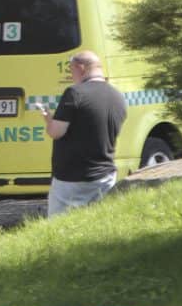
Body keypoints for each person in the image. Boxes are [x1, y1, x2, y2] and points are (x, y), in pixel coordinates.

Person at [36, 50, 127, 216]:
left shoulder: (75, 93)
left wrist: (48, 119)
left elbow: (56, 132)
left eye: (71, 70)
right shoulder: (118, 96)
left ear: (81, 68)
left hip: (71, 180)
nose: (71, 76)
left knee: (59, 227)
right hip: (105, 177)